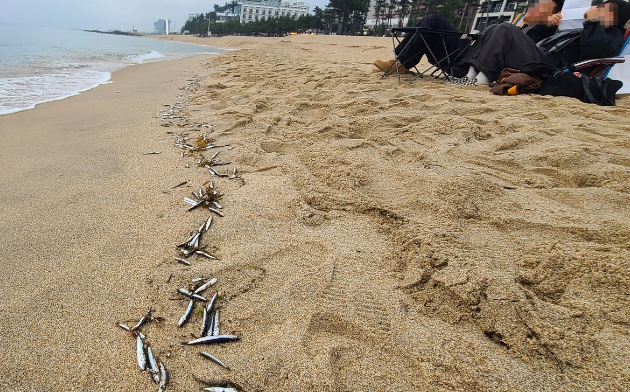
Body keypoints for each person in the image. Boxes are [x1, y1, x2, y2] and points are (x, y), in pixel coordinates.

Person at [458, 0, 630, 85]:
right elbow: (539, 40)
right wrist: (547, 25)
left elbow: (595, 50)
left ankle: (482, 78)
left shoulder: (611, 34)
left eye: (602, 9)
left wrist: (593, 22)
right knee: (494, 28)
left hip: (548, 68)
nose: (595, 9)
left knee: (504, 28)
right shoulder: (586, 28)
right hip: (541, 57)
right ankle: (471, 75)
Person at [373, 0, 564, 77]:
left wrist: (548, 22)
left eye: (543, 7)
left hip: (475, 57)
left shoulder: (543, 28)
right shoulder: (520, 22)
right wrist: (523, 23)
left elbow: (539, 38)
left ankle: (402, 63)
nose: (536, 7)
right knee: (433, 21)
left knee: (435, 23)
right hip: (471, 46)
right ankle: (401, 63)